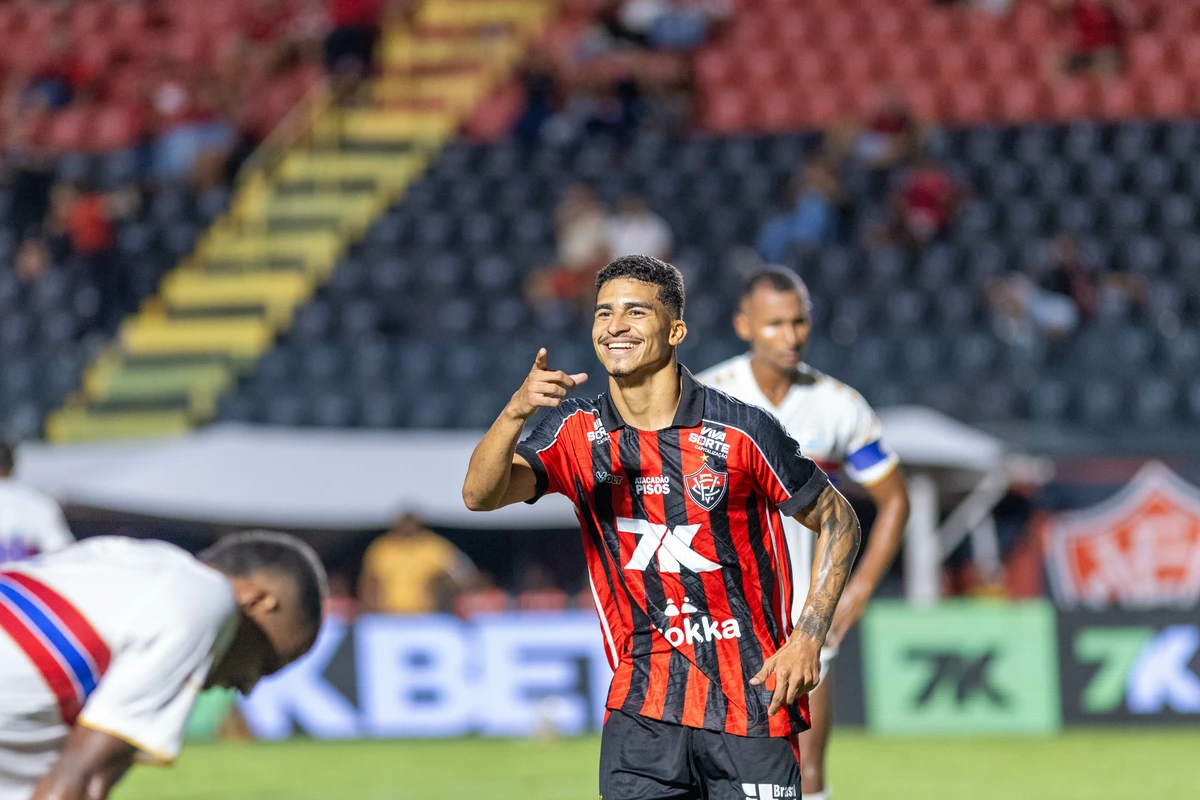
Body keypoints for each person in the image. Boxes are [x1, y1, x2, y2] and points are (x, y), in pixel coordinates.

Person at [463, 254, 861, 799]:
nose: (616, 327)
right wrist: (514, 413)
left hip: (751, 703)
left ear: (675, 330)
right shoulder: (575, 432)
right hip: (642, 709)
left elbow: (840, 518)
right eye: (604, 314)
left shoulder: (742, 431)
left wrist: (808, 636)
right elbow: (479, 495)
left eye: (635, 312)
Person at [697, 267, 910, 800]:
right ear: (743, 325)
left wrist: (853, 596)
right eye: (774, 325)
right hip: (720, 617)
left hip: (803, 621)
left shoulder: (838, 406)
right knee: (712, 775)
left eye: (799, 322)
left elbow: (895, 501)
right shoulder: (704, 398)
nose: (790, 337)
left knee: (804, 775)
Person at [0, 530, 326, 800]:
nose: (247, 687)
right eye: (265, 662)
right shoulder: (206, 600)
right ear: (258, 602)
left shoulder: (120, 556)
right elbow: (80, 776)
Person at [358, 512, 477, 615]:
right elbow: (369, 581)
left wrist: (443, 589)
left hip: (426, 616)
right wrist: (369, 610)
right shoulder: (383, 548)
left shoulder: (434, 547)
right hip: (388, 616)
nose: (407, 527)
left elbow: (462, 574)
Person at [0, 439, 74, 564]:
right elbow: (63, 556)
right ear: (12, 464)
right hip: (21, 581)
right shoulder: (37, 502)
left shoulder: (37, 502)